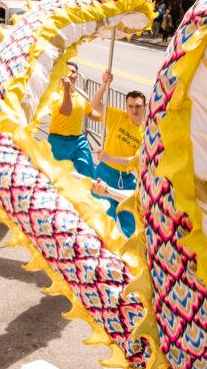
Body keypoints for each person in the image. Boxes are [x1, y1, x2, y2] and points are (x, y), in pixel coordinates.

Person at [90, 71, 146, 237]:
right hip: (105, 173)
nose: (133, 110)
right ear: (126, 107)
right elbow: (94, 104)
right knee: (104, 218)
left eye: (138, 106)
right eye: (130, 106)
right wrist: (105, 84)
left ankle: (134, 260)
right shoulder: (118, 117)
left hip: (128, 180)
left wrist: (109, 157)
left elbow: (134, 160)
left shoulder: (147, 132)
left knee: (132, 225)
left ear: (145, 106)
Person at [46, 62, 95, 177]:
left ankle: (92, 195)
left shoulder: (81, 93)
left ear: (77, 75)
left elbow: (90, 112)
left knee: (89, 176)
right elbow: (66, 111)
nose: (70, 74)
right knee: (56, 178)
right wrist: (66, 90)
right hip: (58, 142)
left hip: (79, 141)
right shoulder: (55, 94)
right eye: (67, 70)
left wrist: (110, 117)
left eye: (73, 72)